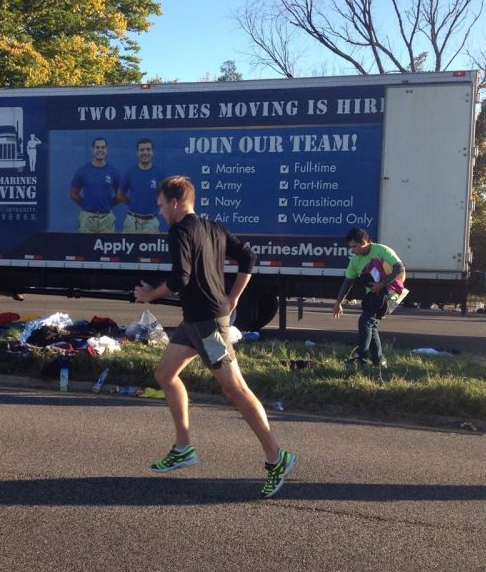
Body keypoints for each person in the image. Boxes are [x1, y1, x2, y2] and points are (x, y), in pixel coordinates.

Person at [133, 175, 297, 499]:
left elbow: (180, 278)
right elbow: (248, 257)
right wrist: (234, 297)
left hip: (207, 324)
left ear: (176, 202)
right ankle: (183, 447)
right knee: (165, 373)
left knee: (234, 388)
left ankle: (277, 457)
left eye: (162, 205)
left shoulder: (179, 230)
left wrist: (151, 295)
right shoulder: (214, 227)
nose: (161, 211)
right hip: (194, 322)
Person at [332, 228, 406, 369]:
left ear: (364, 242)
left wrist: (382, 284)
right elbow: (348, 281)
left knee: (365, 322)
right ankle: (379, 361)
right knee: (371, 325)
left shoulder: (382, 251)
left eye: (354, 246)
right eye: (351, 247)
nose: (352, 250)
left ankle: (362, 360)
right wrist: (338, 302)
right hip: (373, 295)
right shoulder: (355, 259)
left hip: (390, 294)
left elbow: (399, 268)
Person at [70, 137, 120, 233]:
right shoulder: (83, 171)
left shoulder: (113, 171)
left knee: (106, 247)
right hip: (87, 219)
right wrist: (86, 205)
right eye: (97, 147)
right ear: (92, 150)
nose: (100, 150)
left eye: (103, 147)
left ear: (107, 149)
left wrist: (108, 205)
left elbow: (120, 195)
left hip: (107, 220)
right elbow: (73, 193)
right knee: (85, 247)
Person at [118, 138, 162, 233]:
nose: (145, 152)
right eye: (142, 150)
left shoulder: (159, 173)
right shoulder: (130, 173)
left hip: (151, 222)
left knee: (151, 247)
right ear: (137, 152)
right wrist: (133, 203)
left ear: (152, 152)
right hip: (132, 221)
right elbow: (120, 195)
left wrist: (156, 205)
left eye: (148, 149)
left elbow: (166, 195)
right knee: (127, 247)